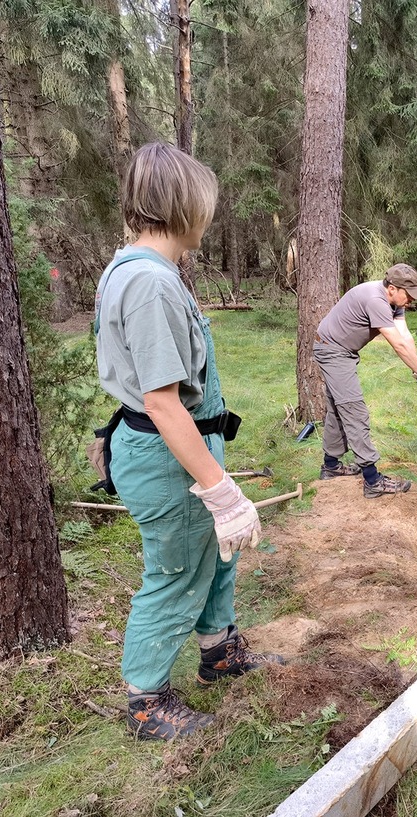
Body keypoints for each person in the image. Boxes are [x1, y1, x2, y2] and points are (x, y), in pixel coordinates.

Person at [94, 142, 284, 741]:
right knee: (176, 570)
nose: (209, 216)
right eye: (205, 205)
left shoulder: (149, 270)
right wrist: (219, 490)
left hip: (184, 446)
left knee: (215, 556)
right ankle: (146, 700)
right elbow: (161, 401)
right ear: (183, 206)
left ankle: (219, 651)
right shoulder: (149, 284)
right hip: (166, 454)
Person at [313, 264, 417, 497]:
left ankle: (331, 466)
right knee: (354, 411)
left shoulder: (396, 302)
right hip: (333, 351)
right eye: (408, 295)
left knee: (337, 409)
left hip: (340, 350)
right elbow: (396, 344)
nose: (411, 301)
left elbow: (405, 337)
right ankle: (373, 481)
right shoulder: (376, 299)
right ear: (392, 288)